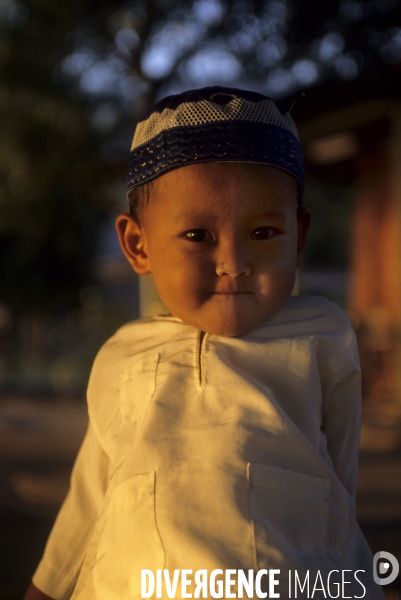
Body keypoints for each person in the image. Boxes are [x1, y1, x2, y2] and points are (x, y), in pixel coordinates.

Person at [24, 87, 384, 600]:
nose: (234, 263)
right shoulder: (120, 358)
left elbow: (337, 486)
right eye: (198, 236)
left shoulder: (322, 335)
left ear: (298, 237)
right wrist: (45, 588)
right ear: (137, 244)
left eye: (263, 233)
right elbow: (90, 497)